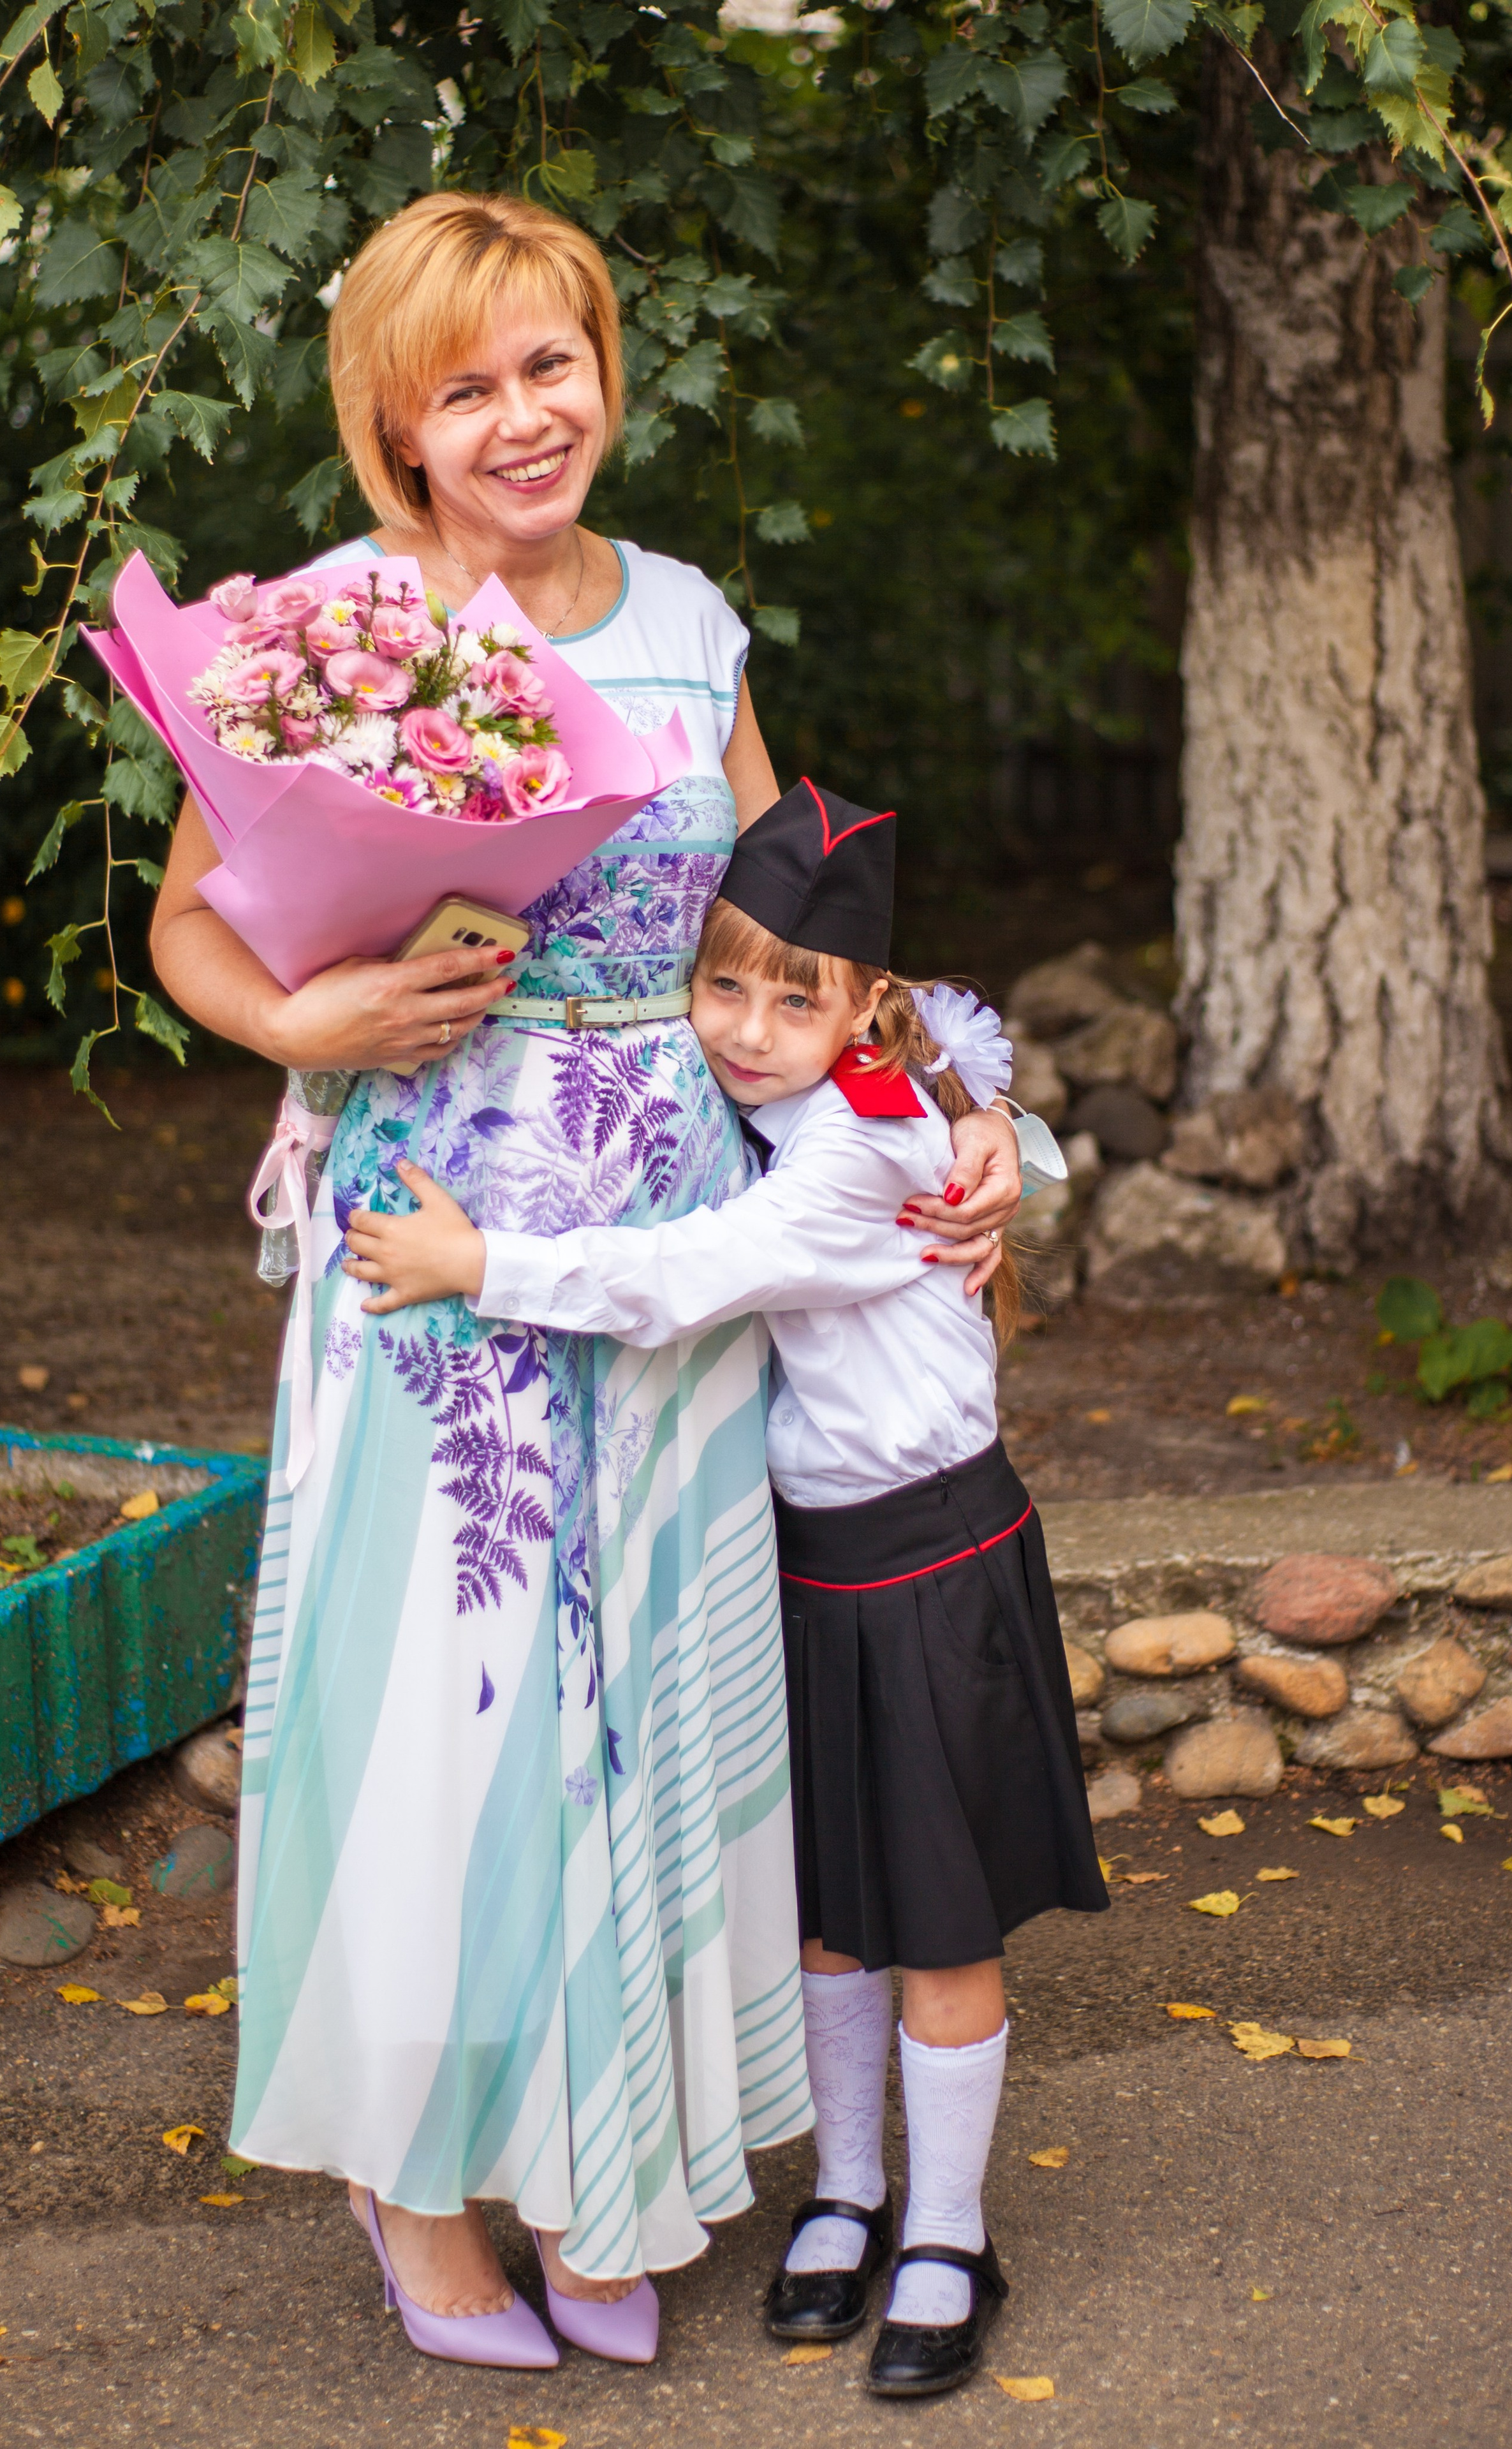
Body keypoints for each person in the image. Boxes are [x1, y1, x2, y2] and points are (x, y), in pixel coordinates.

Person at [148, 193, 1023, 2370]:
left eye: (557, 364)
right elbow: (189, 924)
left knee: (653, 1703)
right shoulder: (326, 624)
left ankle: (604, 2160)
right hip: (432, 1238)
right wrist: (297, 1028)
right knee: (453, 1722)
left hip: (677, 1224)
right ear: (396, 421)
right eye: (471, 385)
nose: (526, 417)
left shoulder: (697, 623)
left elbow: (790, 949)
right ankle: (419, 2190)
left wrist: (956, 1113)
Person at [339, 778, 1109, 2398]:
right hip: (812, 1572)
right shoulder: (817, 1086)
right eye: (723, 982)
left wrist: (477, 1265)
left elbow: (681, 1279)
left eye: (795, 994)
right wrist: (996, 1119)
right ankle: (842, 2195)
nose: (751, 1028)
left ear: (861, 1003)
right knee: (831, 1917)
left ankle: (949, 2234)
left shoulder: (846, 1158)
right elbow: (962, 1046)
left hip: (931, 1563)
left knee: (939, 1930)